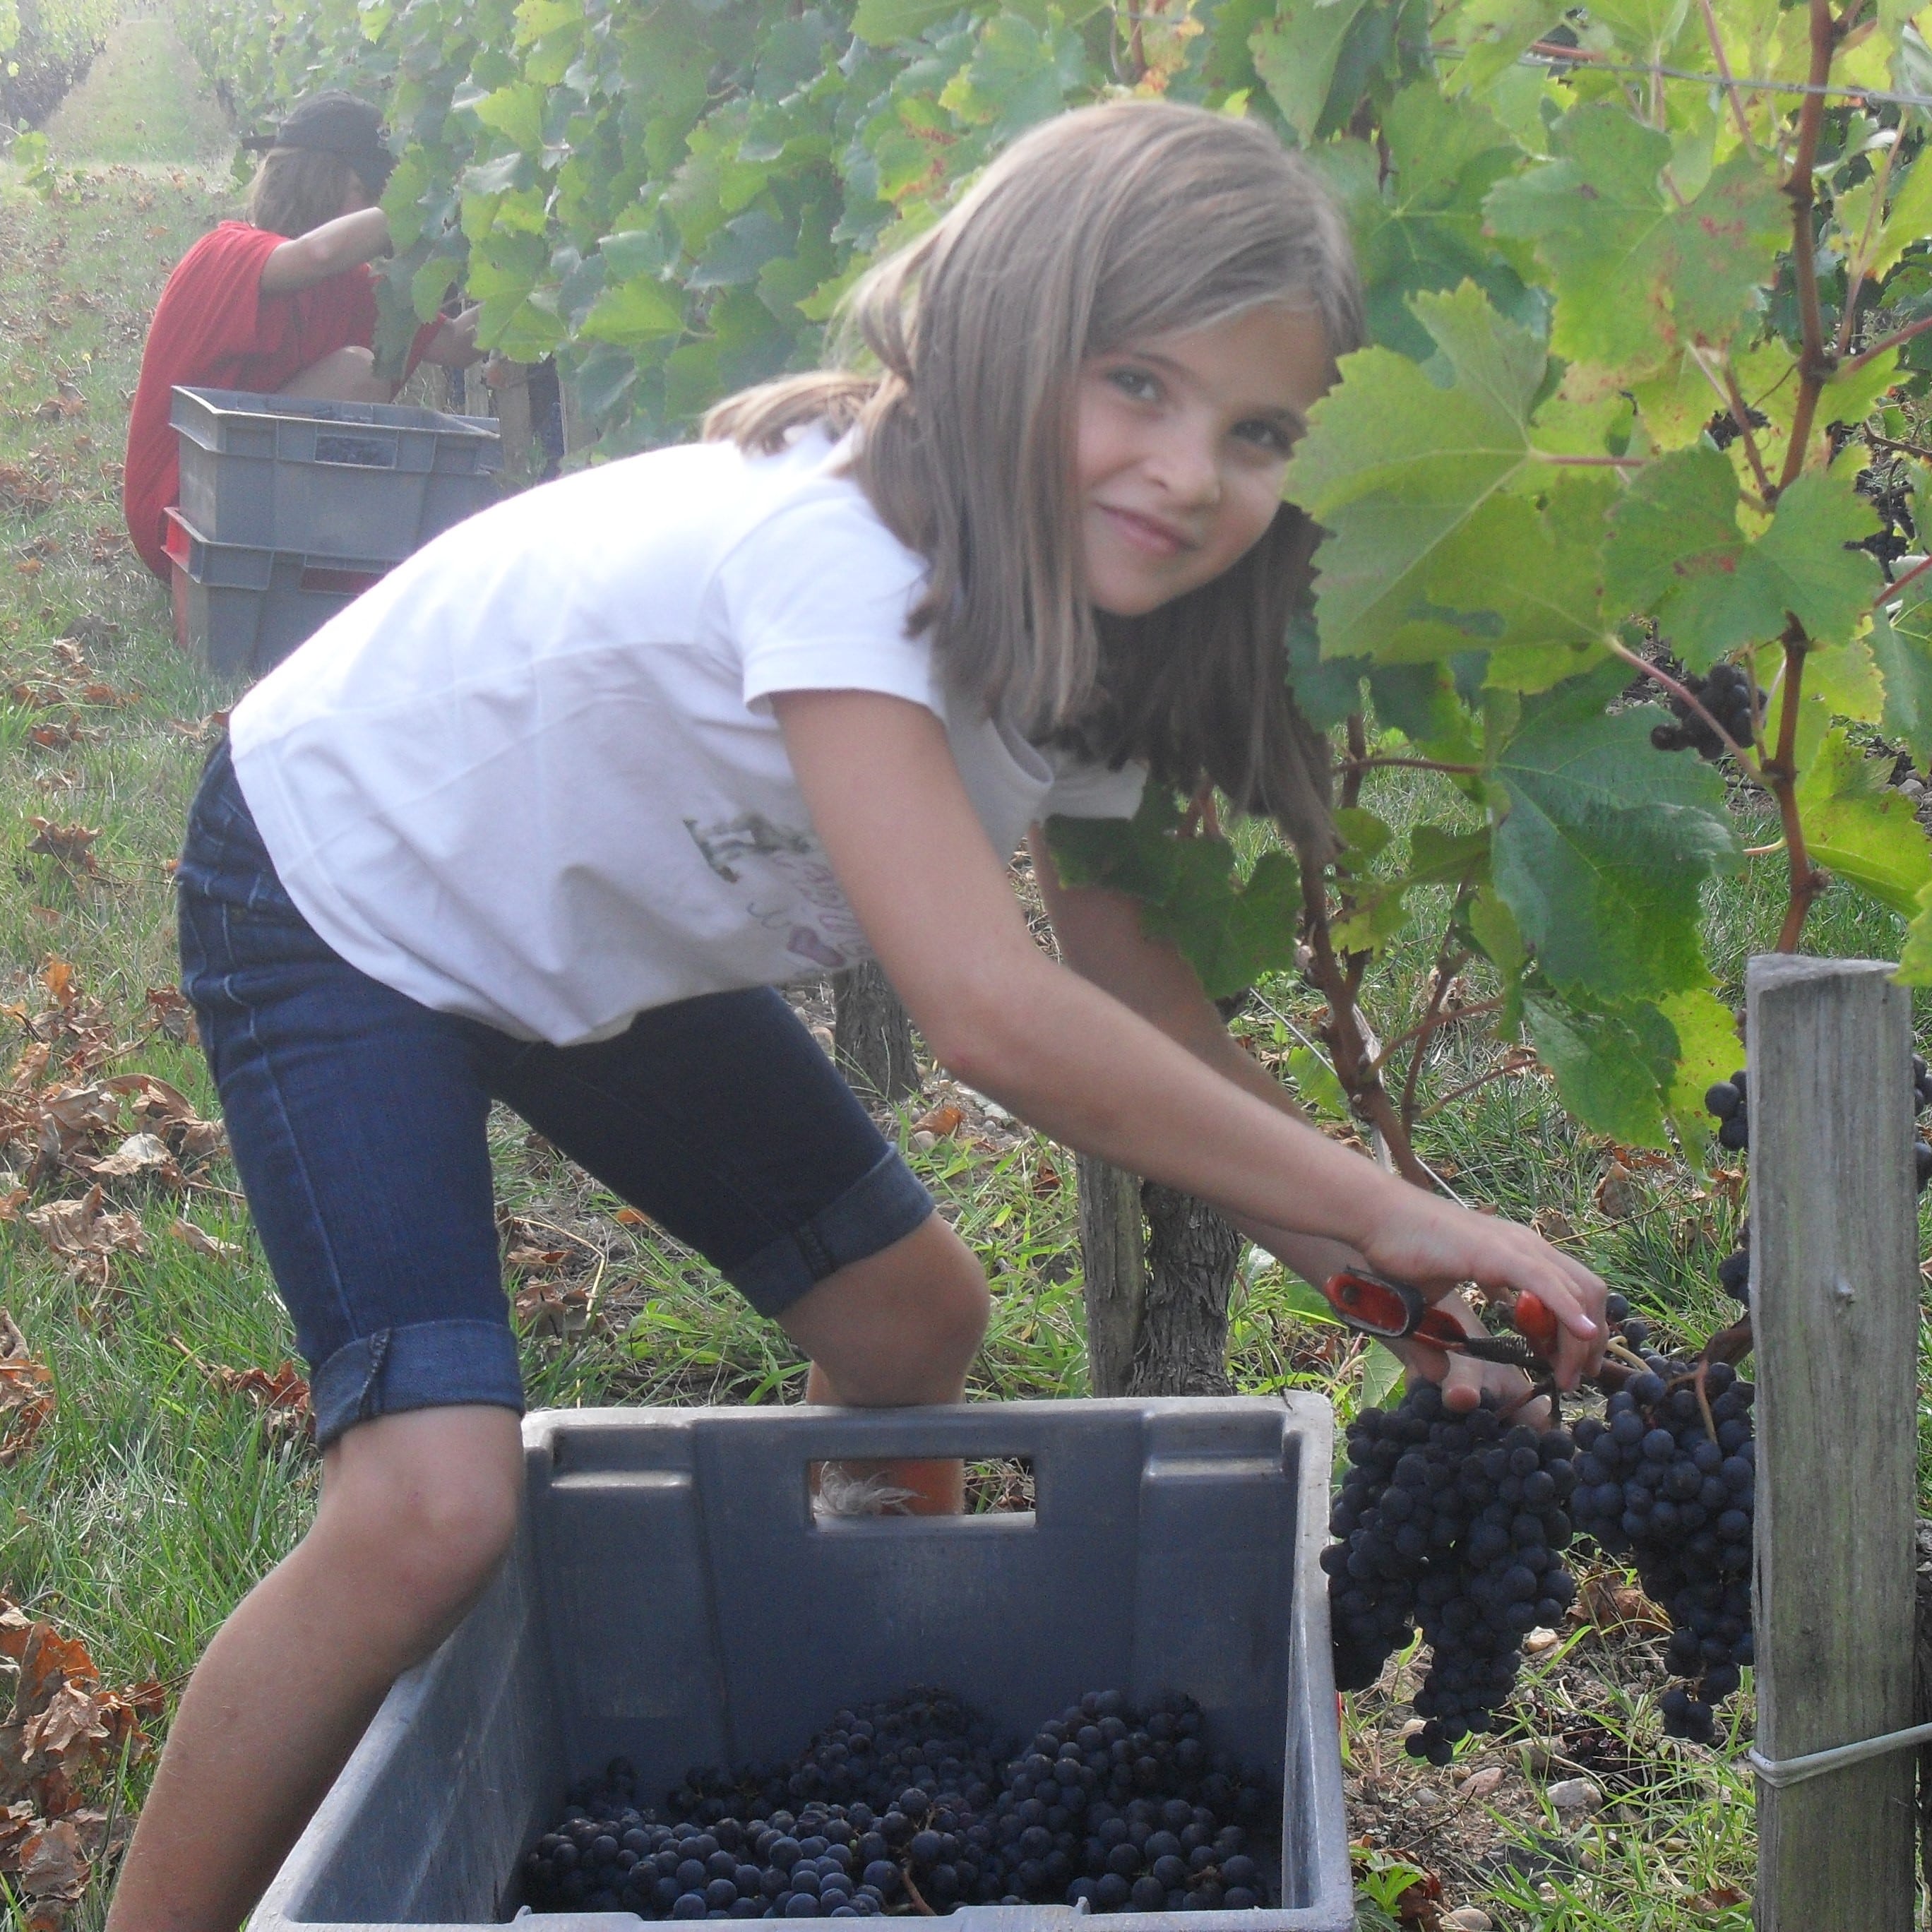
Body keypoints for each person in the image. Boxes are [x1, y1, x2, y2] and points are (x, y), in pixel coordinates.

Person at [107, 100, 1606, 1932]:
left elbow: (1132, 994)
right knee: (430, 1511)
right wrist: (1394, 1205)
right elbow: (984, 1007)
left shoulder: (1102, 629)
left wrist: (1384, 1286)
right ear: (1002, 328)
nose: (1190, 470)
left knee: (906, 1318)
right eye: (1137, 383)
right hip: (349, 886)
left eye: (1259, 430)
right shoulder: (844, 554)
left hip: (587, 924)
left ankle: (851, 1762)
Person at [121, 90, 482, 579]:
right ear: (319, 181)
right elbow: (317, 254)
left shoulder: (349, 286)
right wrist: (430, 201)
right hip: (180, 515)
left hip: (233, 504)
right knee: (359, 372)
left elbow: (459, 345)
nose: (378, 207)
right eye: (370, 191)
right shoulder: (226, 254)